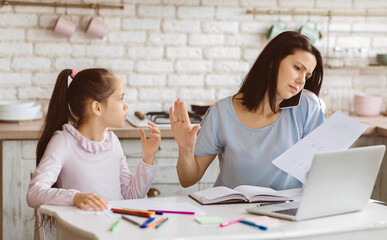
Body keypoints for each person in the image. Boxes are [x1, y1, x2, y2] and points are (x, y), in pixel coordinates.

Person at [170, 31, 324, 190]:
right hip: (231, 211)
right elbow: (188, 179)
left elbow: (322, 168)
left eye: (307, 75)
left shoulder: (307, 109)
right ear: (273, 61)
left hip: (284, 212)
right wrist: (186, 149)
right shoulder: (221, 113)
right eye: (297, 68)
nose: (301, 81)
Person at [27, 68, 161, 214]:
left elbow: (132, 196)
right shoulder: (64, 142)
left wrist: (149, 157)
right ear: (97, 107)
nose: (125, 105)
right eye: (121, 98)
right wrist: (75, 197)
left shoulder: (112, 142)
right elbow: (34, 194)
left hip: (113, 229)